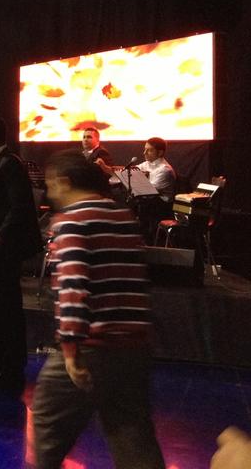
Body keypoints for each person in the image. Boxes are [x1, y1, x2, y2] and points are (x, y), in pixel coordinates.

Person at [31, 149, 164, 469]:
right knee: (133, 435)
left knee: (47, 422)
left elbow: (73, 286)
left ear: (64, 182)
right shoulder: (122, 215)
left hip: (91, 344)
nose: (49, 193)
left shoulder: (71, 220)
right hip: (134, 345)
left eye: (50, 185)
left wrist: (70, 350)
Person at [0, 114, 42, 395]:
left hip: (6, 247)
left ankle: (11, 368)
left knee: (7, 308)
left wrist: (0, 236)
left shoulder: (9, 163)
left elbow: (19, 207)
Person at [137, 137, 175, 201]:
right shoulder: (147, 163)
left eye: (149, 150)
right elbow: (132, 170)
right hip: (146, 201)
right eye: (145, 149)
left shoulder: (165, 170)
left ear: (160, 153)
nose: (144, 153)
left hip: (159, 204)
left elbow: (148, 191)